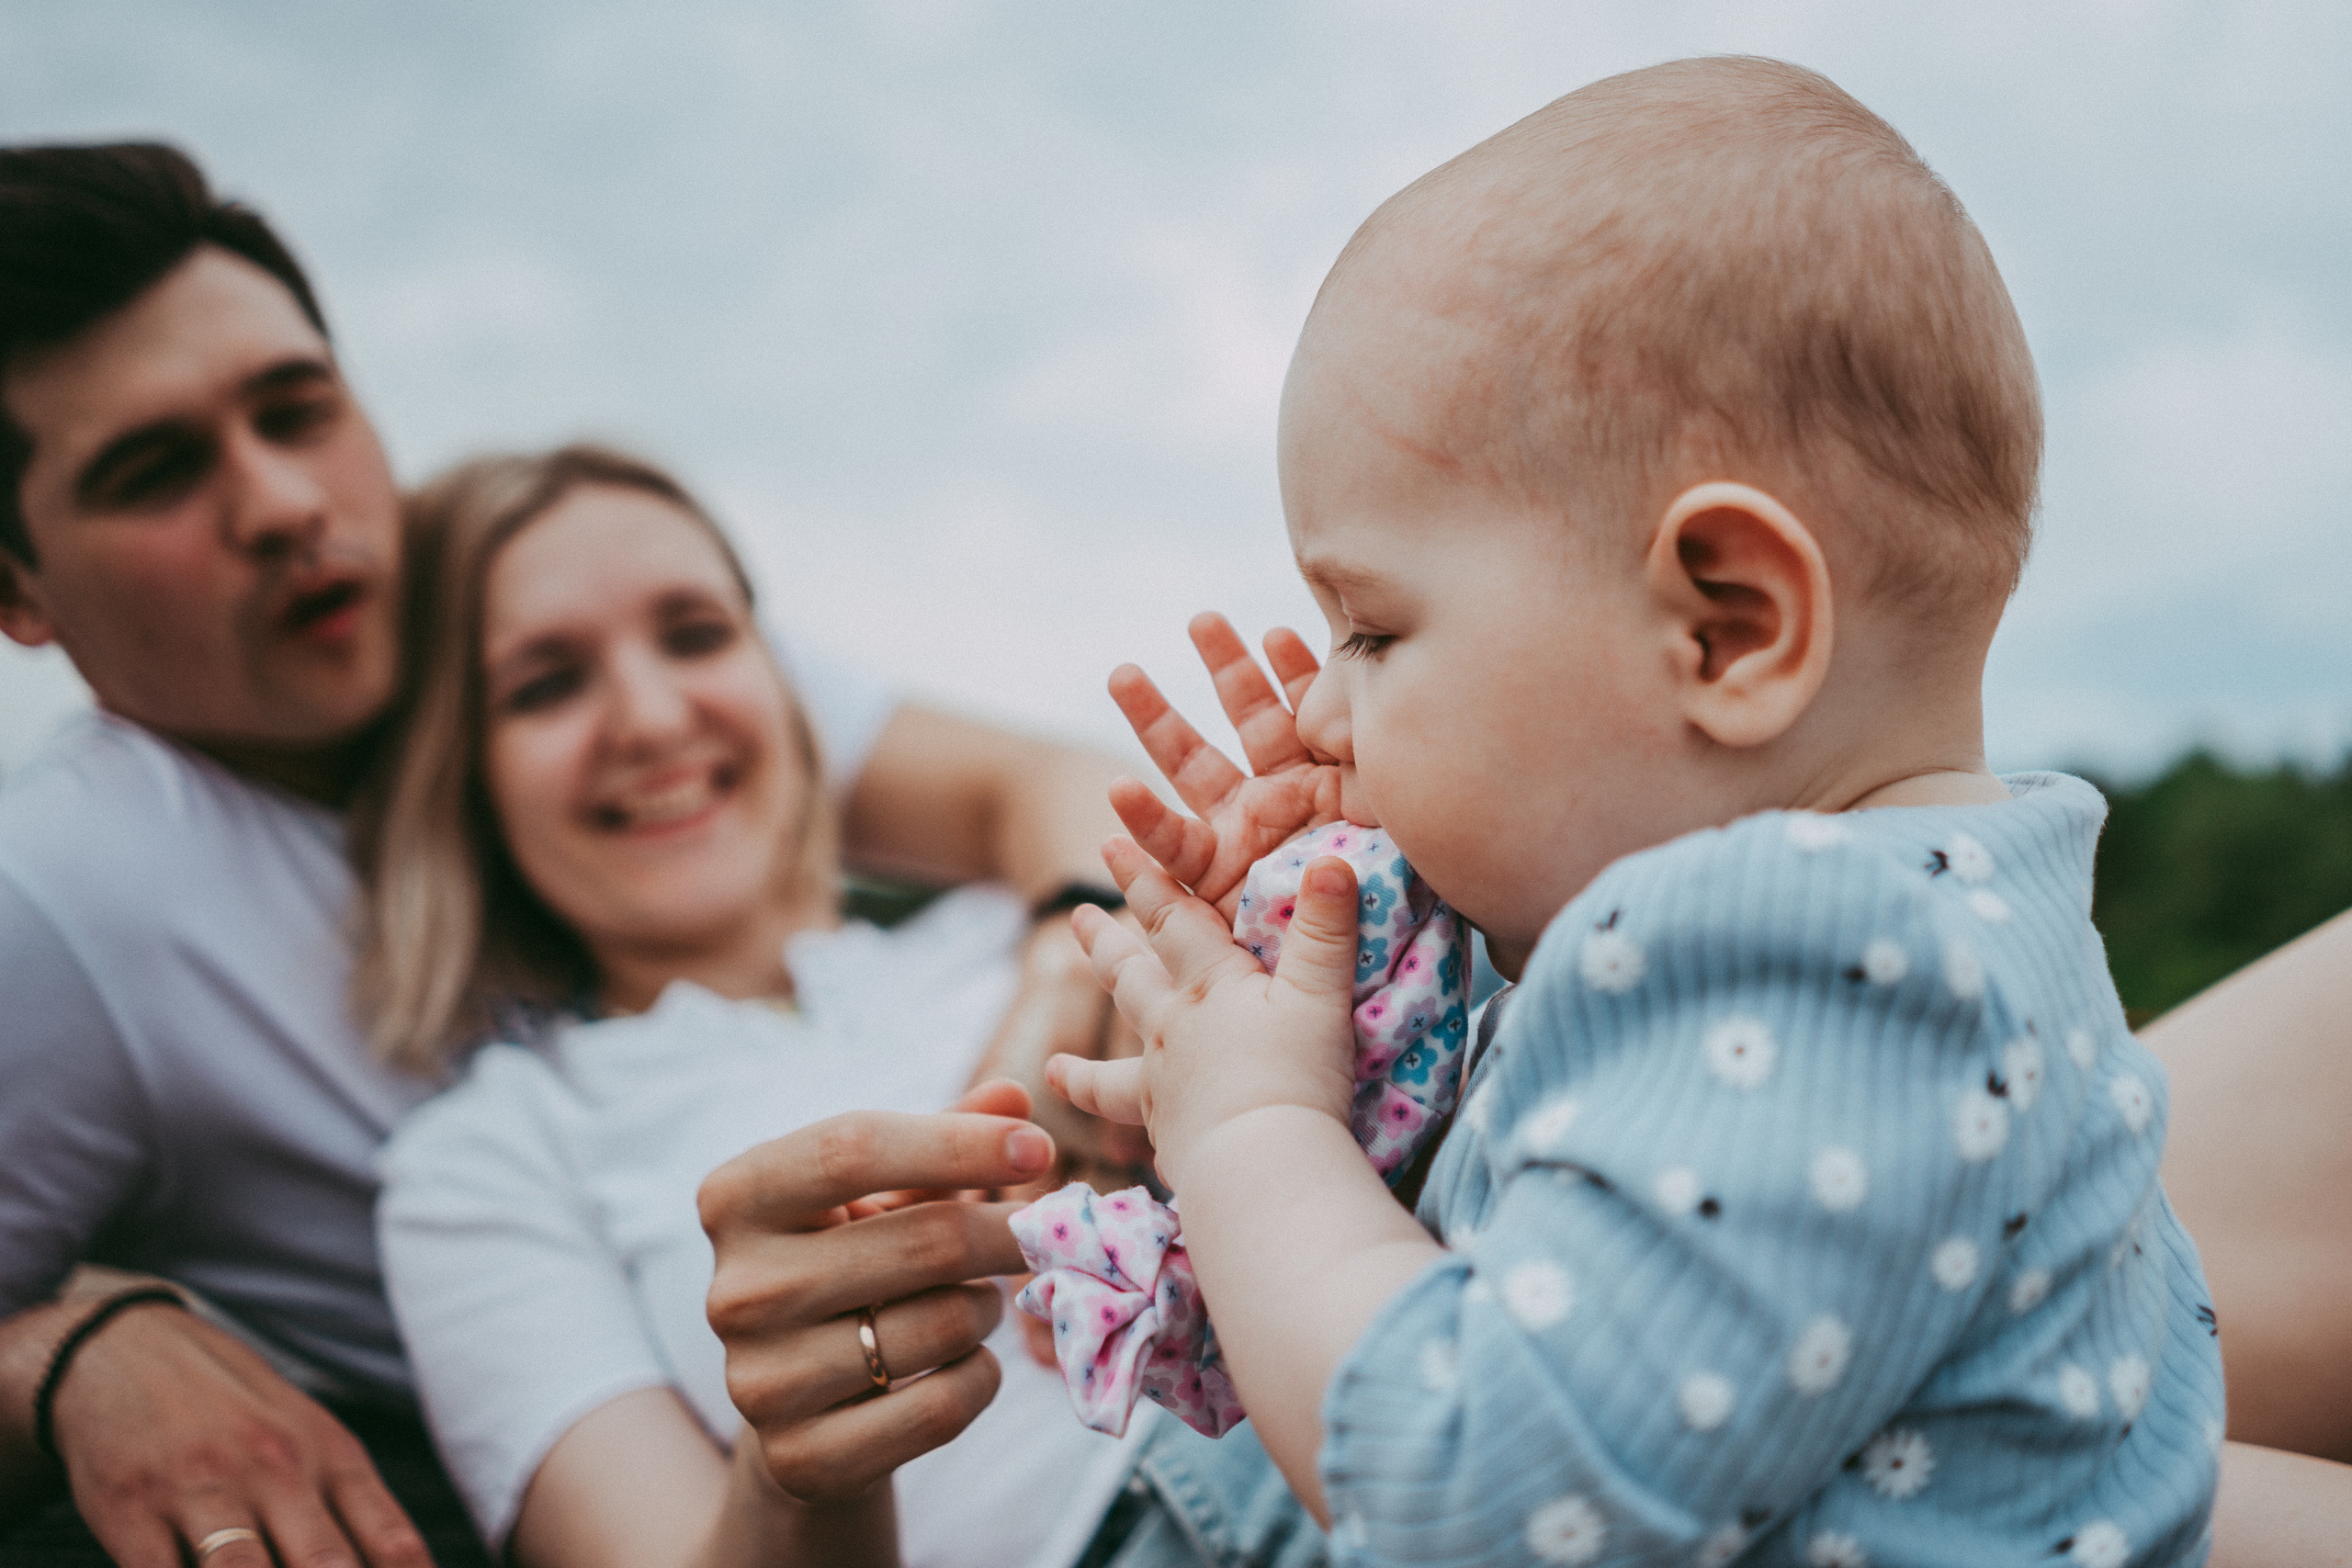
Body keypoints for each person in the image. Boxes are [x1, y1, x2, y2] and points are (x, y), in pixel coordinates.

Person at [1037, 58, 2227, 1563]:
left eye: (1378, 633)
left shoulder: (1812, 959)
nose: (1326, 712)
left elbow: (1467, 1490)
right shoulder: (1970, 918)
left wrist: (1254, 1130)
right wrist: (1372, 1014)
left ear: (1727, 628)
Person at [0, 141, 1134, 1566]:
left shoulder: (541, 585)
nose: (284, 501)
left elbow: (1040, 784)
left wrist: (1079, 949)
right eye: (155, 469)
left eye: (300, 409)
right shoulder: (61, 897)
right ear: (17, 586)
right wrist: (67, 1348)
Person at [363, 445, 1151, 1568]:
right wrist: (800, 1464)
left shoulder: (1024, 918)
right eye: (544, 684)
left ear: (784, 683)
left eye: (694, 634)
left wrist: (1073, 972)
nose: (648, 717)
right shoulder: (487, 1160)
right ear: (464, 772)